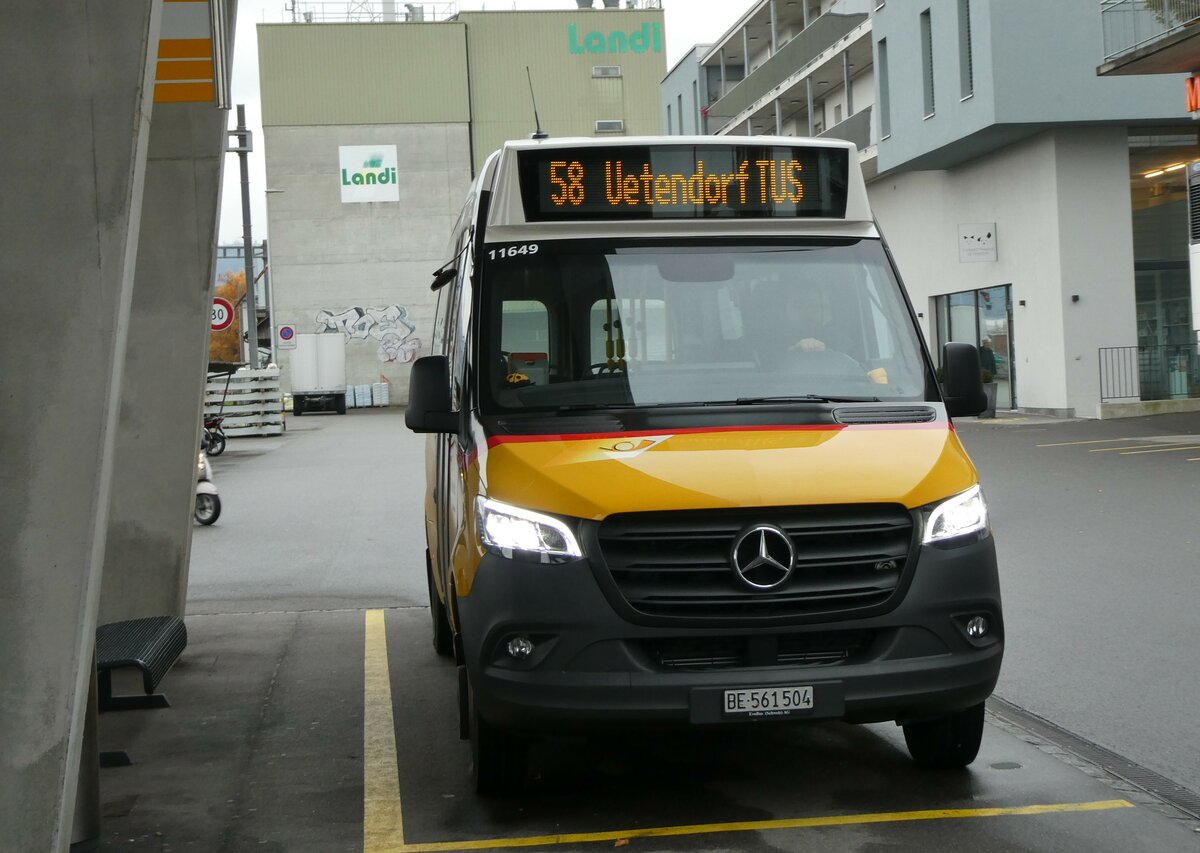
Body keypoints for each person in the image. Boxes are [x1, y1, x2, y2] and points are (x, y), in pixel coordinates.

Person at [775, 285, 889, 385]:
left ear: (823, 310)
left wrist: (829, 352)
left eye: (813, 305)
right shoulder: (771, 344)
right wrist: (791, 354)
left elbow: (865, 374)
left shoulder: (843, 342)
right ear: (782, 311)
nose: (807, 311)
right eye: (798, 305)